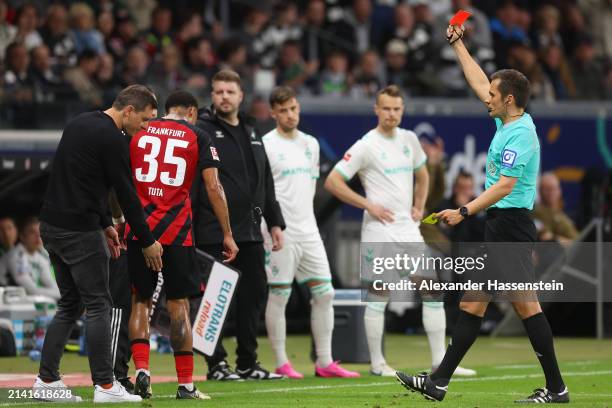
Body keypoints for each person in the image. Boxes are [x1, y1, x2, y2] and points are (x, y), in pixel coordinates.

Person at [395, 24, 568, 403]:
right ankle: (438, 382)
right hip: (500, 226)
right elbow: (477, 81)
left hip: (511, 226)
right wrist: (459, 45)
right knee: (473, 302)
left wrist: (463, 210)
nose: (484, 97)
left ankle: (557, 388)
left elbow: (505, 186)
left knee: (525, 305)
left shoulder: (522, 133)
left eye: (492, 94)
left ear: (508, 99)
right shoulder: (506, 119)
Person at [324, 85, 474, 377]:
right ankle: (378, 363)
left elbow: (422, 173)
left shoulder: (409, 139)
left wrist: (419, 205)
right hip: (379, 231)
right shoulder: (365, 145)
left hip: (407, 229)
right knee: (379, 294)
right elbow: (333, 182)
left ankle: (440, 363)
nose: (392, 114)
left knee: (431, 291)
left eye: (397, 109)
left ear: (402, 110)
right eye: (387, 109)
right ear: (376, 110)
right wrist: (368, 205)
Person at [34, 84, 163, 404]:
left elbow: (82, 182)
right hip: (79, 232)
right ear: (129, 110)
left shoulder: (79, 122)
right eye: (145, 120)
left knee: (70, 304)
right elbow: (127, 195)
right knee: (99, 306)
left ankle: (46, 380)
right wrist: (147, 241)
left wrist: (106, 223)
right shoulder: (114, 139)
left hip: (51, 227)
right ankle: (106, 386)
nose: (146, 128)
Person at [126, 90, 238, 400]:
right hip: (177, 233)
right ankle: (186, 384)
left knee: (140, 302)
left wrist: (119, 220)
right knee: (179, 306)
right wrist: (227, 233)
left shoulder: (141, 129)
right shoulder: (198, 135)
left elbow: (120, 181)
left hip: (140, 231)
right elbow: (213, 187)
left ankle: (142, 371)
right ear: (191, 112)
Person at [262, 86, 360, 379]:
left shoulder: (311, 144)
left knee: (325, 293)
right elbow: (264, 191)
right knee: (279, 294)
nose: (290, 115)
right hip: (280, 230)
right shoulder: (265, 144)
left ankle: (325, 361)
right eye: (283, 110)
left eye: (293, 109)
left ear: (298, 108)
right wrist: (272, 224)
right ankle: (281, 362)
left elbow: (311, 187)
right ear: (273, 113)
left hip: (308, 230)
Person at [194, 69, 285, 381]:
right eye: (218, 91)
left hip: (250, 230)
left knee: (253, 296)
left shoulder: (252, 128)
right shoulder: (202, 129)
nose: (223, 97)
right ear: (212, 94)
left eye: (229, 92)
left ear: (241, 95)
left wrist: (275, 222)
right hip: (213, 230)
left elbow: (265, 180)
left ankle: (247, 363)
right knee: (214, 300)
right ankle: (215, 364)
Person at [6, 217, 59, 300]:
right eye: (32, 232)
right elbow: (31, 290)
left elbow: (51, 283)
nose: (37, 236)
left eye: (39, 232)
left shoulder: (40, 257)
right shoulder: (16, 256)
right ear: (22, 236)